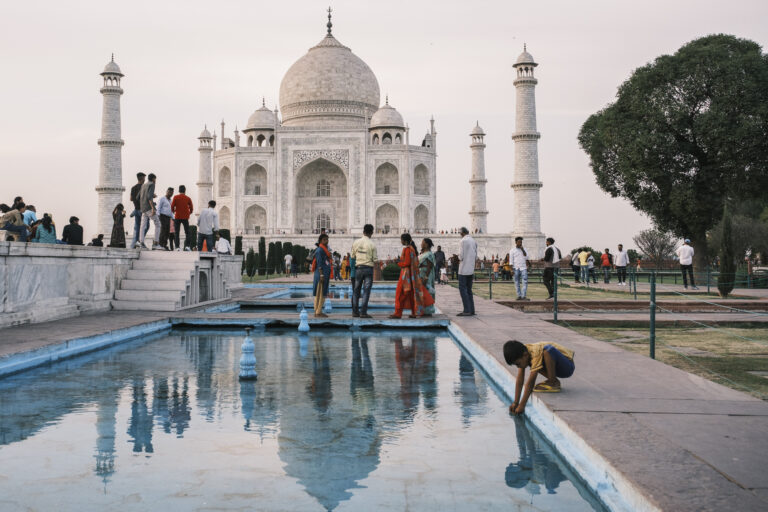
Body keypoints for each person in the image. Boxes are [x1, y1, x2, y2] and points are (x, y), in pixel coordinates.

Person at [503, 340, 575, 415]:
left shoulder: (534, 353)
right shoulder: (524, 352)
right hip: (557, 367)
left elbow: (531, 382)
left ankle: (553, 382)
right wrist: (516, 402)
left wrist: (522, 405)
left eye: (518, 364)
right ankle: (554, 381)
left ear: (525, 355)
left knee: (547, 351)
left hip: (567, 367)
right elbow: (520, 380)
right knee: (534, 364)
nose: (518, 366)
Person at [390, 233, 434, 319]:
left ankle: (398, 313)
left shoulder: (407, 249)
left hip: (405, 276)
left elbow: (407, 263)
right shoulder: (412, 249)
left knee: (400, 294)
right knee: (411, 295)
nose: (401, 241)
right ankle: (414, 312)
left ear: (405, 241)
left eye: (401, 240)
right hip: (412, 276)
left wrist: (397, 263)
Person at [351, 223, 377, 318]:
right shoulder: (372, 244)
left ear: (363, 232)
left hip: (358, 268)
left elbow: (352, 256)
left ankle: (355, 312)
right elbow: (375, 259)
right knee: (366, 291)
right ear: (371, 233)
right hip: (368, 269)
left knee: (356, 291)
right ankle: (363, 312)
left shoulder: (356, 242)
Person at [457, 227, 477, 316]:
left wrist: (456, 257)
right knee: (469, 290)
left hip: (463, 269)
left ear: (462, 233)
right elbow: (476, 256)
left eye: (460, 233)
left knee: (463, 290)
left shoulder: (463, 241)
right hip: (471, 269)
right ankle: (471, 310)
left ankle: (466, 310)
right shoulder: (473, 241)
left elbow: (461, 256)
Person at [312, 233, 333, 318]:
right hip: (321, 274)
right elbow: (319, 263)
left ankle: (317, 311)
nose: (326, 241)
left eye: (327, 239)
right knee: (320, 293)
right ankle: (318, 312)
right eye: (325, 239)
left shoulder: (324, 250)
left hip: (324, 274)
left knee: (320, 293)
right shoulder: (319, 250)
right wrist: (321, 275)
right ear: (320, 240)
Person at [139, 173, 159, 250]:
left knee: (142, 226)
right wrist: (153, 208)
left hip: (143, 208)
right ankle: (156, 243)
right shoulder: (152, 184)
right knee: (158, 224)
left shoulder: (143, 185)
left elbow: (138, 197)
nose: (155, 181)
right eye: (155, 179)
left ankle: (141, 242)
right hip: (149, 208)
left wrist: (151, 195)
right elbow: (149, 197)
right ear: (153, 179)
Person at [171, 185, 194, 251]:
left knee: (177, 232)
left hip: (177, 216)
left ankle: (177, 247)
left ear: (179, 190)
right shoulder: (188, 198)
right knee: (187, 232)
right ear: (185, 190)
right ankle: (187, 246)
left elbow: (172, 206)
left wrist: (174, 212)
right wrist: (189, 213)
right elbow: (191, 208)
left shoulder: (175, 197)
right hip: (185, 217)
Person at [418, 238, 437, 316]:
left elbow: (429, 266)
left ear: (426, 244)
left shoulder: (429, 254)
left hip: (426, 276)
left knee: (427, 291)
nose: (421, 244)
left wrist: (426, 277)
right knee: (422, 292)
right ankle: (422, 310)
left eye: (422, 242)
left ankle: (428, 311)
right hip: (421, 274)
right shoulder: (423, 253)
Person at [509, 236, 530, 301]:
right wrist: (511, 269)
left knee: (525, 282)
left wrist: (523, 249)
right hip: (516, 268)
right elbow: (511, 261)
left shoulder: (524, 249)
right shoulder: (512, 250)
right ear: (516, 242)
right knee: (517, 282)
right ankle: (519, 296)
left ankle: (523, 296)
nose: (520, 243)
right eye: (519, 242)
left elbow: (526, 257)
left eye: (521, 242)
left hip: (523, 268)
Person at [129, 172, 146, 248]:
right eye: (144, 178)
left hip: (136, 209)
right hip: (143, 210)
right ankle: (139, 241)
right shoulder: (144, 187)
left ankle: (133, 245)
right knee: (145, 226)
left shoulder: (133, 188)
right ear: (142, 178)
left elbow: (131, 199)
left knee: (137, 228)